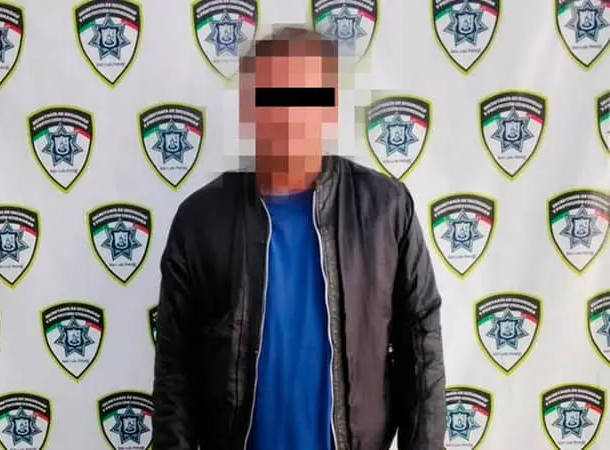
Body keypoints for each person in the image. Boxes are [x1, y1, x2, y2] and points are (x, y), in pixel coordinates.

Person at [152, 26, 446, 450]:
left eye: (306, 96)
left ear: (331, 106)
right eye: (272, 96)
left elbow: (421, 350)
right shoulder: (200, 220)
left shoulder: (385, 210)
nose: (289, 114)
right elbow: (175, 373)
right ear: (248, 108)